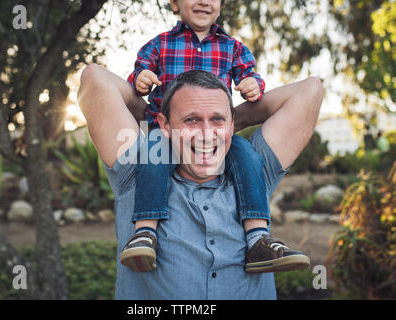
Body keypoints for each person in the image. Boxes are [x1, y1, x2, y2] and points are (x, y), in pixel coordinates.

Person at [77, 68, 323, 299]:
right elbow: (94, 79)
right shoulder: (137, 172)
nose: (206, 133)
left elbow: (310, 90)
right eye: (191, 120)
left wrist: (233, 122)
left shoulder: (254, 172)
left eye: (217, 120)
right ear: (166, 126)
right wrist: (151, 115)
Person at [119, 0, 309, 273]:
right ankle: (145, 233)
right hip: (169, 133)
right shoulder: (160, 43)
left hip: (216, 138)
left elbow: (250, 74)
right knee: (153, 157)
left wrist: (252, 84)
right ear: (174, 4)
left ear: (221, 5)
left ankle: (257, 238)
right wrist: (141, 78)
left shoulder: (233, 47)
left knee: (248, 158)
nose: (203, 1)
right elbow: (140, 71)